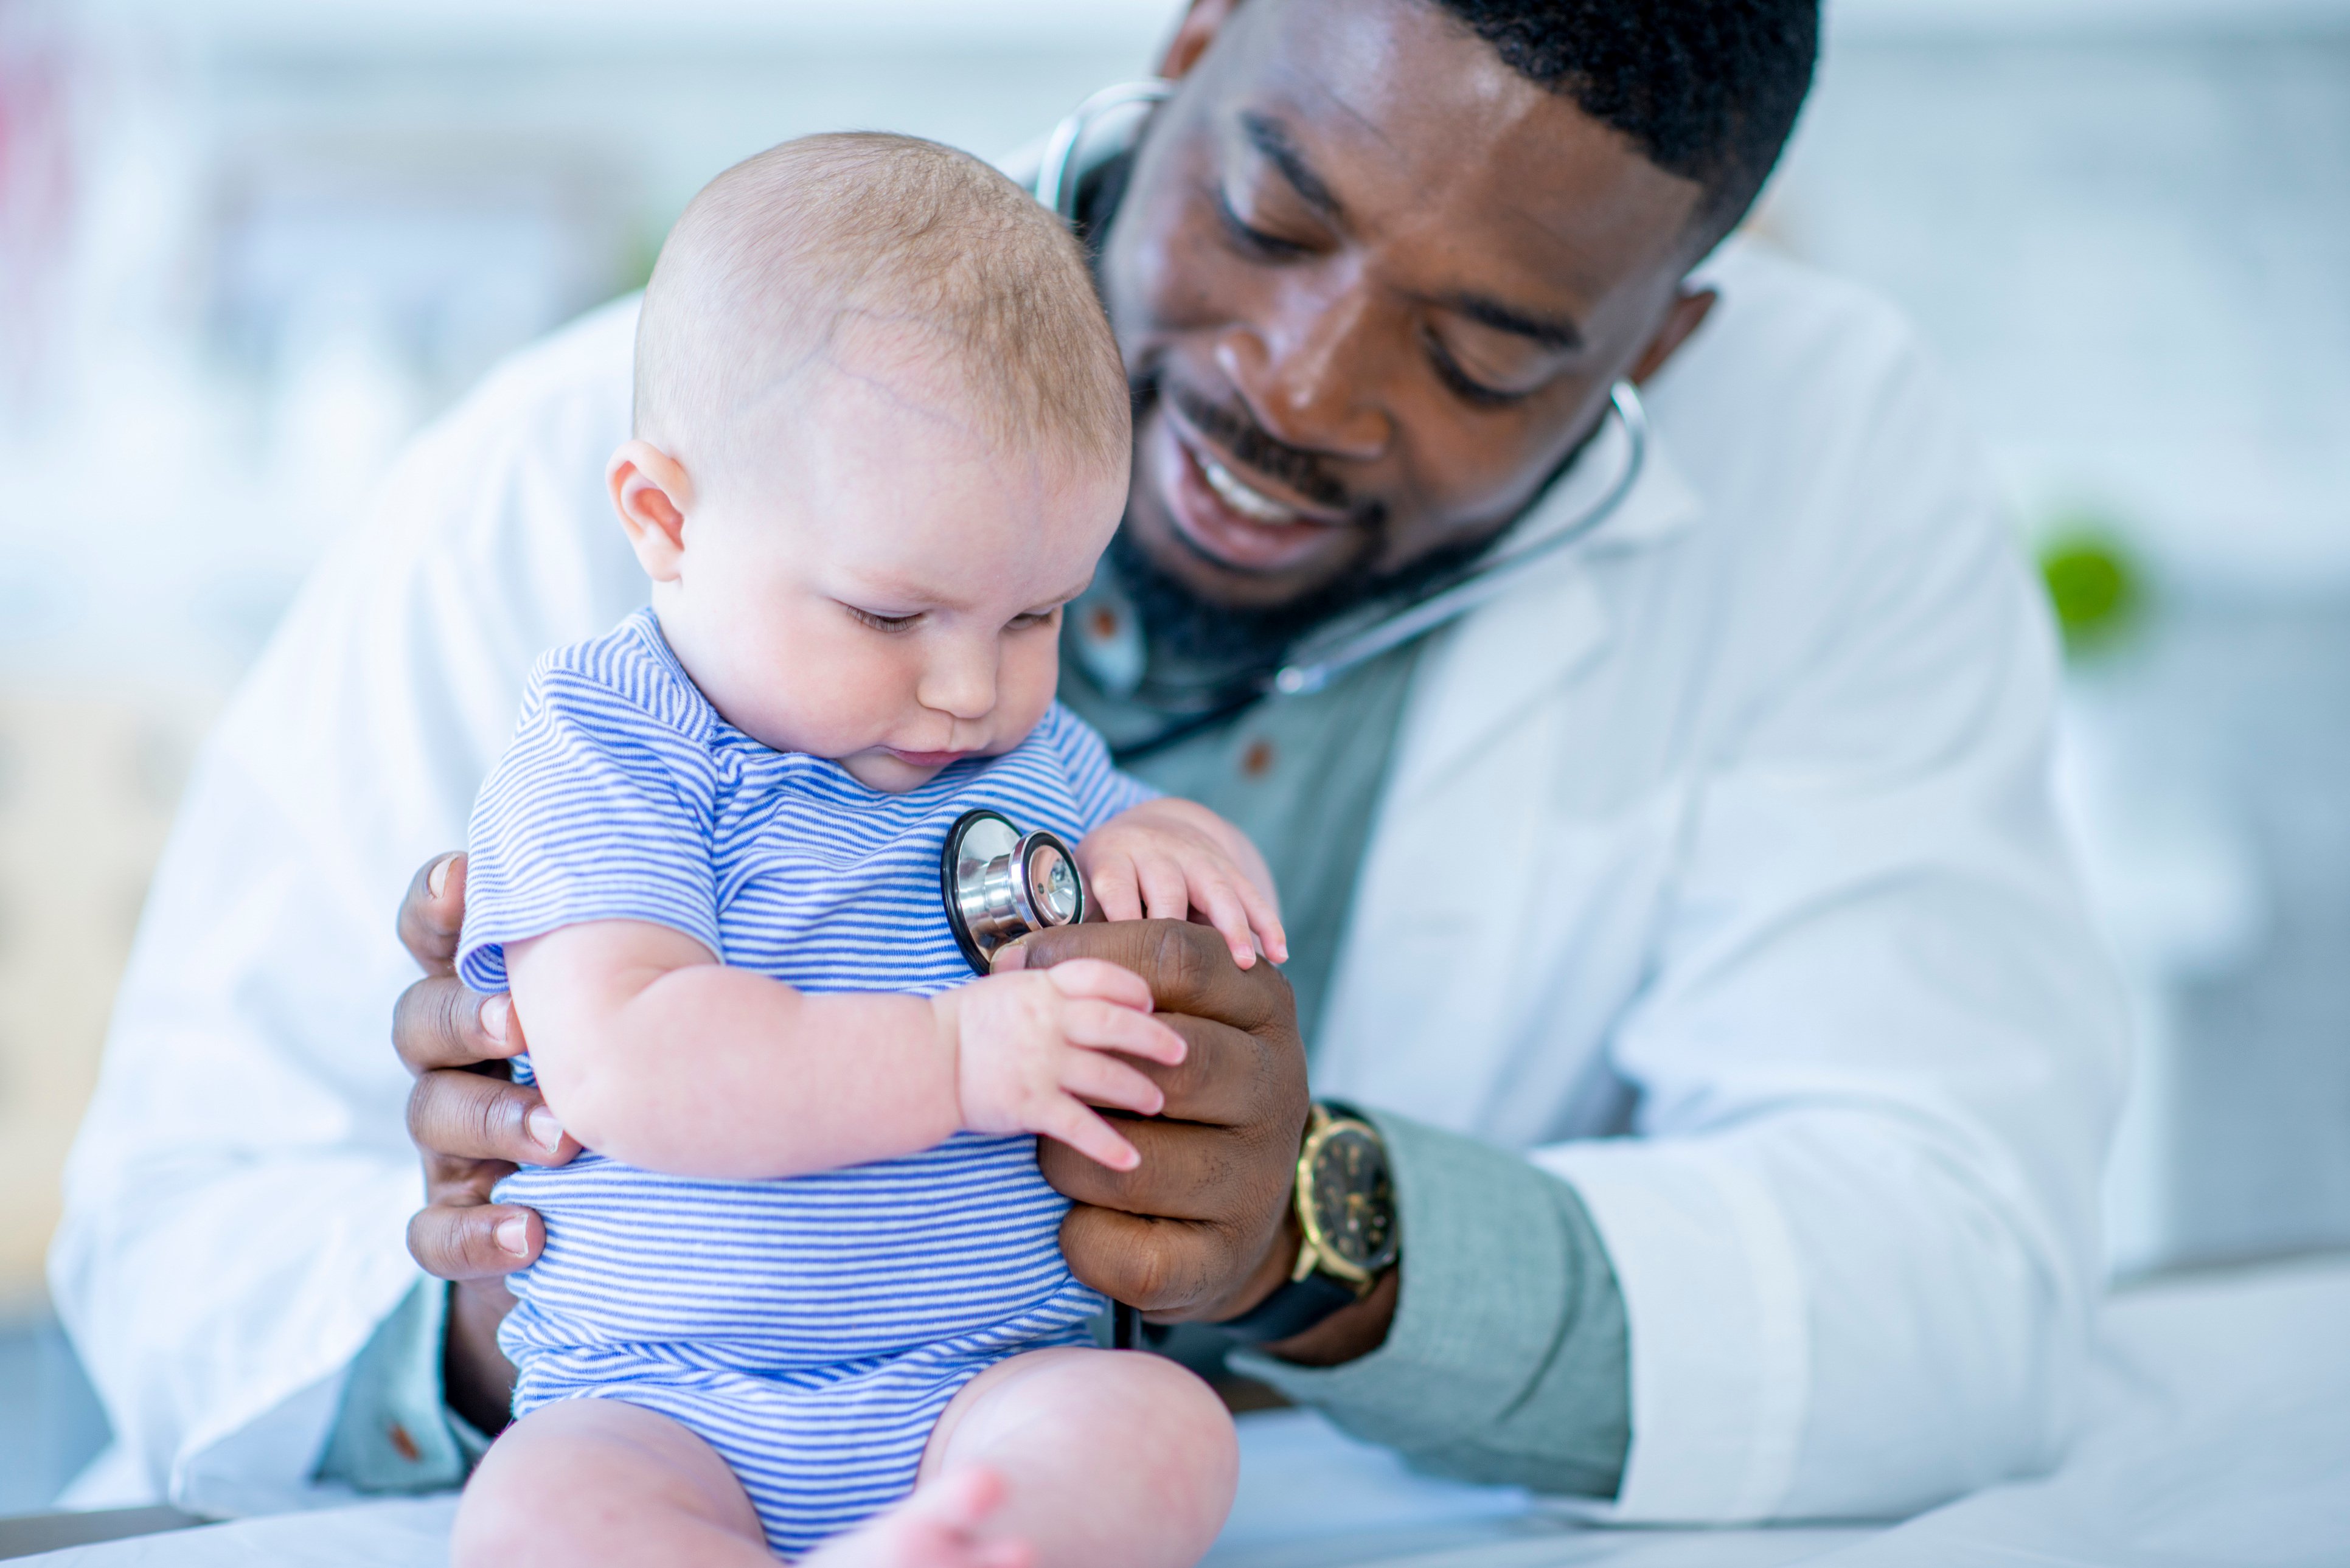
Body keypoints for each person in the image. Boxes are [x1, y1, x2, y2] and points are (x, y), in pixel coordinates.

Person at [52, 0, 2127, 1530]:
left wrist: (1325, 1234)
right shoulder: (593, 483)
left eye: (1485, 353)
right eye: (1267, 212)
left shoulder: (1836, 464)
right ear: (1197, 36)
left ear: (1658, 346)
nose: (1297, 383)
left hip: (1036, 1431)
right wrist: (540, 1288)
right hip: (648, 1383)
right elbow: (166, 1245)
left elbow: (1960, 1263)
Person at [447, 133, 1265, 1568]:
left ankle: (947, 1544)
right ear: (668, 519)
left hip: (981, 1385)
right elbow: (630, 1056)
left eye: (1034, 617)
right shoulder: (614, 741)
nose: (970, 688)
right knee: (539, 1515)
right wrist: (955, 1060)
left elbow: (1102, 835)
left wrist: (1163, 838)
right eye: (893, 617)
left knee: (1161, 1428)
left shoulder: (1024, 757)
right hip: (663, 1399)